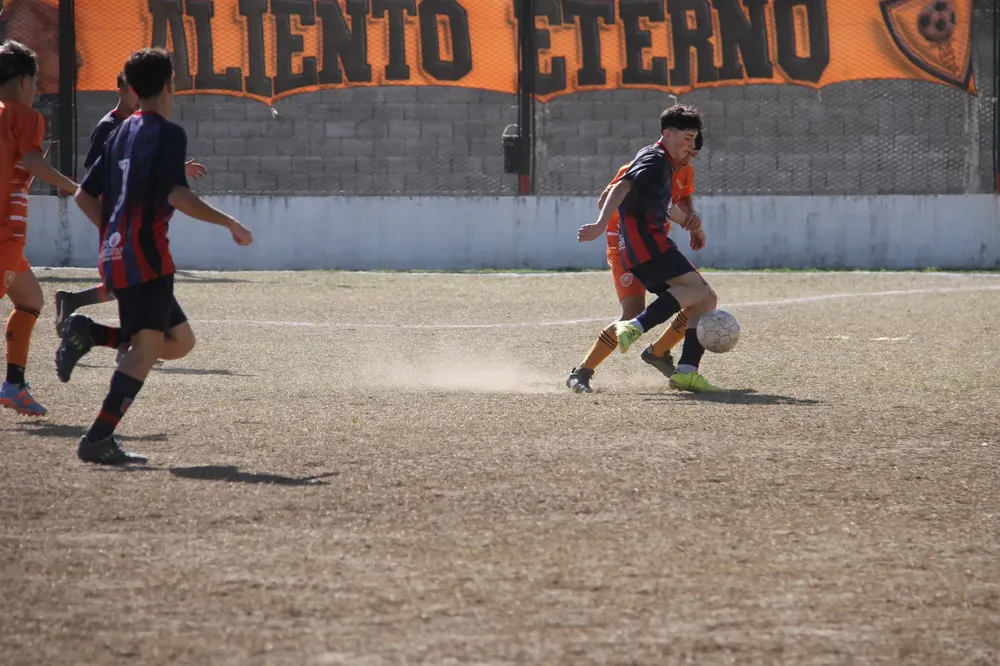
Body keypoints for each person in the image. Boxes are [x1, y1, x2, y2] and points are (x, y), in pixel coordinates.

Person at [59, 47, 253, 464]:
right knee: (145, 351)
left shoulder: (119, 132)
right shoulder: (168, 133)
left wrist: (114, 233)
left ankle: (90, 333)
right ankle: (97, 439)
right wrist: (230, 223)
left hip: (120, 255)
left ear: (131, 87)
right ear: (170, 84)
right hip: (147, 258)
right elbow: (177, 194)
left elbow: (83, 195)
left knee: (180, 343)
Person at [54, 71, 207, 366]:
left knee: (129, 283)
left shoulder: (138, 127)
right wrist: (109, 220)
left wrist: (177, 168)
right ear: (120, 92)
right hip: (116, 221)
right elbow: (95, 177)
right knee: (134, 281)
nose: (138, 97)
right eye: (131, 91)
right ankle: (133, 343)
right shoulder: (109, 127)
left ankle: (78, 305)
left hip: (132, 221)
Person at [577, 105, 721, 393]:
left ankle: (663, 355)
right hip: (629, 244)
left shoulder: (677, 168)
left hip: (652, 242)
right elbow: (614, 193)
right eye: (688, 143)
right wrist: (603, 224)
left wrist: (691, 224)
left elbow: (667, 205)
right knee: (636, 311)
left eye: (694, 150)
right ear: (669, 134)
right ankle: (582, 371)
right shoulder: (653, 160)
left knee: (703, 296)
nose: (689, 154)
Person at [0, 39, 78, 416]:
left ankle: (14, 386)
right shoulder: (26, 117)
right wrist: (75, 188)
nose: (36, 90)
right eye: (36, 82)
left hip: (10, 242)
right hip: (4, 235)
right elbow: (32, 161)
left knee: (31, 301)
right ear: (25, 81)